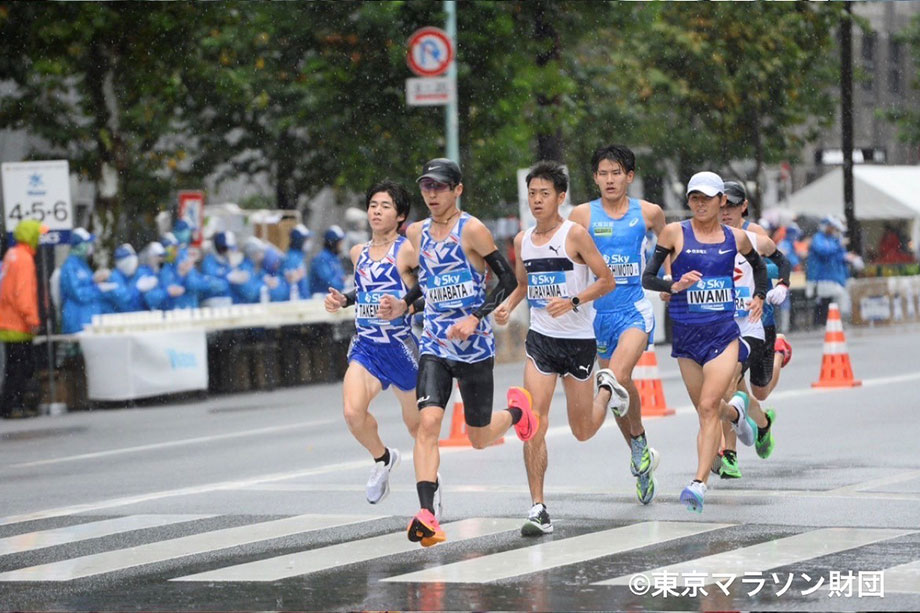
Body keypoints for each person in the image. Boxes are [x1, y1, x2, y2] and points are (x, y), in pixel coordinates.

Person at [377, 157, 537, 547]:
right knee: (428, 423)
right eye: (427, 187)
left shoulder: (473, 230)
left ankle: (518, 411)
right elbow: (427, 282)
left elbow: (506, 279)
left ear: (457, 190)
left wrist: (475, 316)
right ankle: (427, 514)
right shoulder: (415, 233)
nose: (432, 195)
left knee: (478, 438)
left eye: (440, 187)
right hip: (433, 343)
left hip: (474, 347)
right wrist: (405, 303)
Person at [493, 161, 615, 536]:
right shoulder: (522, 240)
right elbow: (524, 284)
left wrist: (575, 300)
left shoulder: (574, 235)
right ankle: (538, 508)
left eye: (545, 194)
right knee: (533, 420)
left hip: (578, 343)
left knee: (582, 430)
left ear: (561, 197)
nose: (537, 200)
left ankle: (608, 388)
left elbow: (607, 281)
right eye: (532, 193)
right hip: (541, 341)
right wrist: (508, 305)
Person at [642, 171, 766, 513]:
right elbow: (648, 277)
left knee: (709, 407)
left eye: (706, 198)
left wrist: (759, 295)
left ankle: (698, 483)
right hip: (687, 337)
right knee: (708, 409)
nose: (699, 203)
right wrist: (674, 285)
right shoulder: (673, 233)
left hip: (723, 335)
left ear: (721, 201)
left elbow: (762, 269)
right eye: (694, 197)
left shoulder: (735, 238)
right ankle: (738, 412)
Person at [568, 144, 666, 505]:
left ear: (630, 176)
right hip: (597, 315)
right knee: (618, 395)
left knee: (615, 379)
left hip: (634, 310)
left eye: (616, 173)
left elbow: (667, 241)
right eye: (603, 173)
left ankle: (638, 448)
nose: (609, 180)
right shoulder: (582, 215)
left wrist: (667, 279)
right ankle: (639, 447)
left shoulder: (649, 212)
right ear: (595, 178)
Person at [324, 180, 422, 506]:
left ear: (400, 216)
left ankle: (430, 493)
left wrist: (403, 304)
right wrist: (344, 300)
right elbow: (364, 290)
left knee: (418, 428)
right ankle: (383, 459)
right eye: (373, 205)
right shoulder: (358, 253)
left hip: (400, 348)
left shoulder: (406, 250)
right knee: (353, 413)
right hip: (366, 347)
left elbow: (426, 290)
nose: (377, 212)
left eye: (385, 206)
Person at [713, 181, 792, 479]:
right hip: (724, 326)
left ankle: (779, 353)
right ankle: (729, 454)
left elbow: (776, 264)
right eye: (721, 206)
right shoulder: (708, 235)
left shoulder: (754, 234)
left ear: (744, 205)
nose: (725, 212)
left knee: (760, 390)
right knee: (728, 386)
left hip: (760, 320)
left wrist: (776, 285)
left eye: (731, 206)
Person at [0, 220, 47, 418]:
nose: (41, 238)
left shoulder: (12, 255)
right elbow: (24, 294)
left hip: (7, 320)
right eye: (38, 234)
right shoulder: (25, 259)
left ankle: (11, 405)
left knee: (13, 366)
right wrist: (32, 320)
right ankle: (13, 406)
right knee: (21, 367)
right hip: (18, 323)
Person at [60, 228, 109, 333]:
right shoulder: (70, 267)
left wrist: (94, 280)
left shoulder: (82, 264)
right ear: (80, 245)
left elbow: (84, 283)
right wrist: (97, 289)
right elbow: (78, 294)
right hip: (77, 321)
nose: (90, 246)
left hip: (87, 319)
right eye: (87, 243)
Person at [806, 216, 849, 325]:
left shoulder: (831, 239)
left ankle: (829, 322)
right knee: (823, 300)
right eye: (831, 227)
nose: (833, 229)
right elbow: (823, 251)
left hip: (831, 276)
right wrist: (838, 245)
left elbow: (837, 256)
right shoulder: (818, 238)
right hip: (819, 275)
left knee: (828, 300)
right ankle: (820, 323)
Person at [159, 230, 209, 309]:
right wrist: (179, 277)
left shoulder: (185, 260)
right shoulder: (164, 269)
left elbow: (198, 285)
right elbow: (163, 293)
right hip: (173, 312)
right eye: (170, 248)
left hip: (191, 308)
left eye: (175, 247)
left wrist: (187, 274)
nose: (174, 251)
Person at [106, 244, 162, 312]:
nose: (133, 266)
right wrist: (137, 289)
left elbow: (149, 301)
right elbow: (124, 304)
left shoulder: (137, 273)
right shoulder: (114, 278)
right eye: (129, 263)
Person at [199, 231, 238, 308]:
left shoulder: (226, 261)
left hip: (227, 300)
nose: (229, 252)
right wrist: (227, 278)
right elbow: (211, 284)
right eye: (226, 249)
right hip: (211, 301)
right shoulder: (209, 261)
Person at [309, 226, 346, 296]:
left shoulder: (335, 258)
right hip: (319, 298)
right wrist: (343, 284)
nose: (342, 245)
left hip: (331, 296)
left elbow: (341, 276)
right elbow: (329, 282)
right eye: (340, 243)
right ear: (333, 243)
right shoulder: (321, 259)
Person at [136, 242, 170, 310]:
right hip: (142, 314)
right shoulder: (142, 272)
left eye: (163, 256)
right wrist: (166, 293)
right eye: (159, 256)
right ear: (151, 257)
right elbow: (149, 299)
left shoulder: (162, 272)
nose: (162, 259)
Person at [283, 224, 312, 300]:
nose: (308, 242)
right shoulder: (291, 258)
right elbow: (291, 283)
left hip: (303, 299)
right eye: (306, 239)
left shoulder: (299, 256)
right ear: (299, 241)